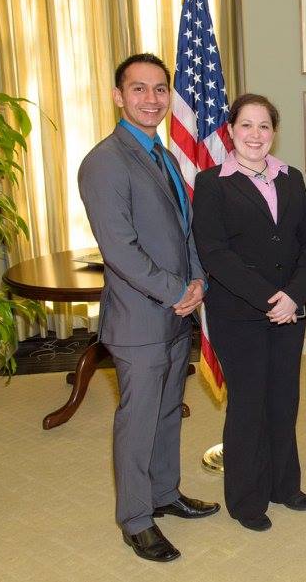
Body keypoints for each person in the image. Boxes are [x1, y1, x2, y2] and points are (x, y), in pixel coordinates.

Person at [78, 53, 219, 563]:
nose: (152, 99)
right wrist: (175, 289)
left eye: (160, 89)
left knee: (167, 413)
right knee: (137, 421)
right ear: (118, 96)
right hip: (142, 316)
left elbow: (185, 229)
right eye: (139, 89)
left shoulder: (163, 154)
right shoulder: (104, 162)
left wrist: (199, 278)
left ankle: (165, 493)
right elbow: (120, 250)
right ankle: (136, 520)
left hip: (179, 311)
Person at [192, 94, 306, 532]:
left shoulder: (291, 177)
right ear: (230, 131)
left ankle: (284, 485)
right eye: (246, 125)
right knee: (249, 405)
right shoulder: (212, 182)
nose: (255, 134)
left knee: (284, 400)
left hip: (289, 312)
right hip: (239, 315)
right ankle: (246, 500)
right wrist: (272, 299)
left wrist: (295, 295)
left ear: (274, 132)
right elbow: (214, 253)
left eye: (263, 126)